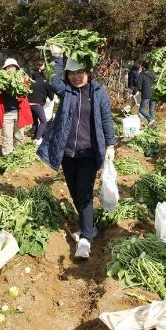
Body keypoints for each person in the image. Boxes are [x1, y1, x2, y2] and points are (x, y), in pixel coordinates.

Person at [37, 45, 116, 259]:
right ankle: (87, 226)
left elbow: (107, 119)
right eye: (72, 73)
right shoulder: (67, 91)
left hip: (89, 153)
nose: (76, 77)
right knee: (74, 192)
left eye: (80, 72)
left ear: (88, 73)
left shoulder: (97, 92)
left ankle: (86, 239)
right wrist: (57, 57)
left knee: (84, 194)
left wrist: (110, 145)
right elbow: (54, 81)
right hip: (68, 154)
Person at [0, 57, 33, 156]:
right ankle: (7, 155)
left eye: (13, 67)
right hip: (7, 113)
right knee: (7, 136)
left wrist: (22, 84)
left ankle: (18, 155)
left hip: (19, 113)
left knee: (19, 136)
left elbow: (27, 91)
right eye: (9, 67)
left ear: (16, 68)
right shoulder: (1, 79)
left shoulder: (23, 79)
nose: (11, 69)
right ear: (5, 69)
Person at [29, 61, 56, 147]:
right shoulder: (44, 83)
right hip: (37, 104)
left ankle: (34, 136)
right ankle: (37, 139)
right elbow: (51, 96)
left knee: (35, 120)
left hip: (29, 104)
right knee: (43, 121)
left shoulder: (32, 82)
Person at [135, 60, 157, 125]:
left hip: (146, 94)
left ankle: (151, 119)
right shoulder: (154, 73)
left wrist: (134, 93)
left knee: (141, 109)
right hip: (154, 94)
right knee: (151, 109)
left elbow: (139, 85)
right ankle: (151, 125)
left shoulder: (142, 74)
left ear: (143, 66)